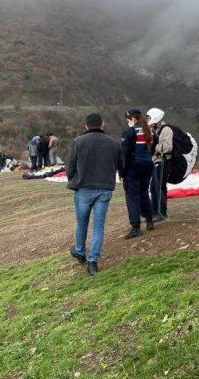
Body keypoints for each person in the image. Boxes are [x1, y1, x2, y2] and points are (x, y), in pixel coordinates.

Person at [67, 113, 124, 276]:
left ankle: (80, 251)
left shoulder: (78, 141)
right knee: (98, 226)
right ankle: (93, 262)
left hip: (83, 188)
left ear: (86, 126)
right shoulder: (113, 143)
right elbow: (122, 165)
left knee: (82, 223)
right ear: (102, 124)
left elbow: (70, 166)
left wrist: (73, 179)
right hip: (105, 188)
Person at [121, 108, 155, 238]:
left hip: (133, 168)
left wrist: (122, 172)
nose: (127, 122)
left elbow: (125, 154)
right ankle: (149, 220)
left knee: (132, 196)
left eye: (128, 120)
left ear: (132, 118)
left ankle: (135, 227)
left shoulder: (129, 132)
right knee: (144, 193)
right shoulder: (148, 130)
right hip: (147, 165)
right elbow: (152, 149)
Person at [148, 107, 173, 221]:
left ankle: (161, 212)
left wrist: (155, 146)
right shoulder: (156, 130)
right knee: (153, 188)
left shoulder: (166, 130)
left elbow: (168, 147)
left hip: (163, 162)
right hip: (156, 161)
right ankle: (154, 212)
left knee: (159, 187)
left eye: (150, 118)